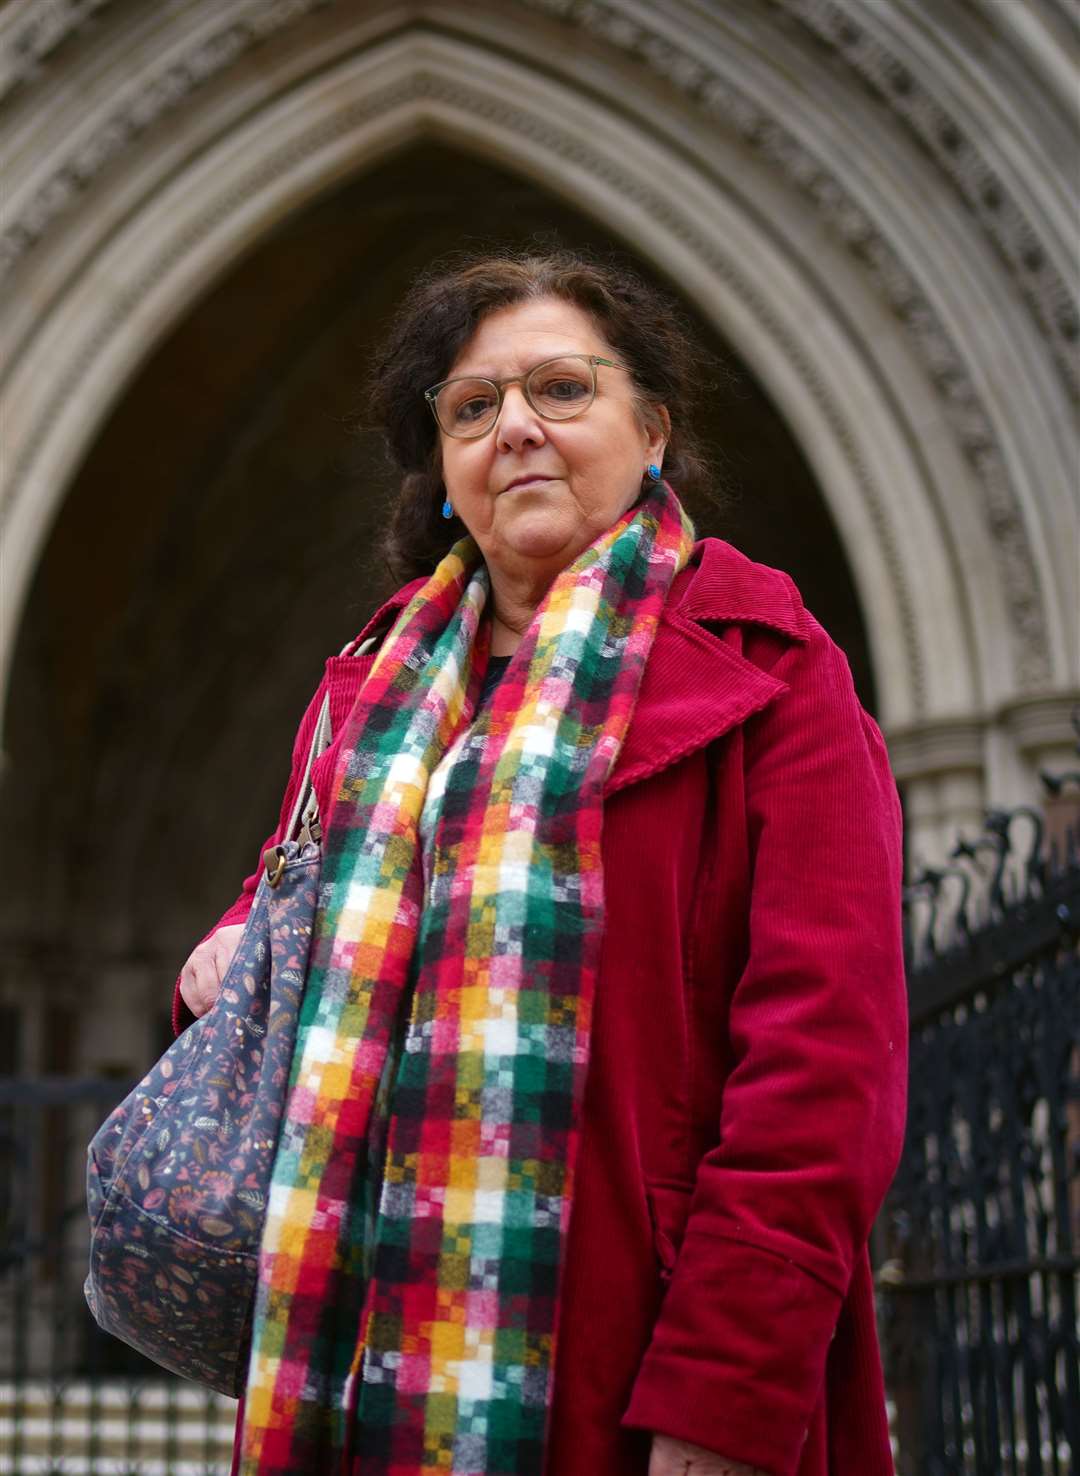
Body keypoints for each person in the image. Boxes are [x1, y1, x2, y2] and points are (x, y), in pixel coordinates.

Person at [175, 252, 907, 1476]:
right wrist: (227, 946)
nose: (515, 427)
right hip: (360, 1366)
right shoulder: (368, 692)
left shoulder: (774, 670)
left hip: (634, 1376)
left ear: (653, 430)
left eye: (562, 389)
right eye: (470, 409)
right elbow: (297, 900)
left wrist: (725, 1397)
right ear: (444, 472)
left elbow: (826, 1068)